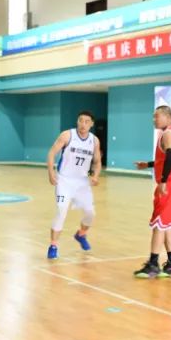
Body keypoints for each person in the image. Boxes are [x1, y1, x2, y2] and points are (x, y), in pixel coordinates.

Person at [132, 106, 171, 278]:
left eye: (157, 116)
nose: (154, 119)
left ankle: (153, 264)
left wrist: (163, 180)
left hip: (169, 184)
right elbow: (164, 158)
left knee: (159, 224)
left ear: (168, 117)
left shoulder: (168, 134)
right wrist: (147, 165)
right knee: (166, 224)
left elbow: (170, 156)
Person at [45, 111, 101, 259]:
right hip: (64, 181)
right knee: (61, 210)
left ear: (91, 124)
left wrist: (94, 175)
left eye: (87, 121)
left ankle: (81, 234)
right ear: (77, 121)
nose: (83, 124)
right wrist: (51, 173)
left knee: (90, 213)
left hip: (82, 182)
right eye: (80, 120)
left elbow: (96, 162)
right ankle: (53, 245)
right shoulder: (67, 135)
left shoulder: (94, 141)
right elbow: (51, 153)